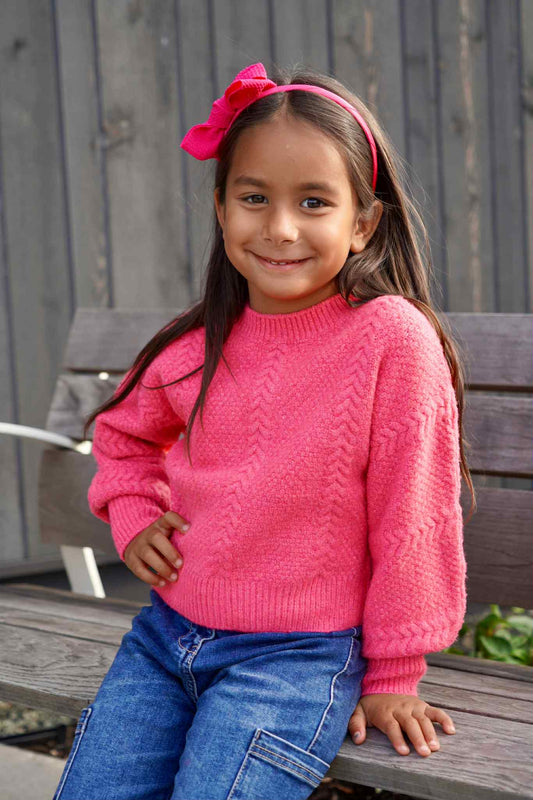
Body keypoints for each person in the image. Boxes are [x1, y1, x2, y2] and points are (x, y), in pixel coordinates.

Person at [52, 61, 475, 800]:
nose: (280, 228)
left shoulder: (389, 339)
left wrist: (393, 676)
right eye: (254, 198)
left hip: (296, 657)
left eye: (313, 201)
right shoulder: (196, 346)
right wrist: (135, 513)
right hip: (164, 641)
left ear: (362, 223)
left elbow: (414, 515)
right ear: (221, 209)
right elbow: (122, 437)